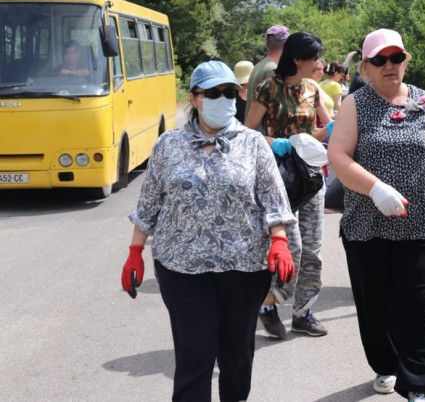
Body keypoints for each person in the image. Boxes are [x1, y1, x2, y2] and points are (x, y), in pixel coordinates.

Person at [120, 60, 297, 402]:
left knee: (236, 355)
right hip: (182, 268)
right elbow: (149, 204)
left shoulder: (254, 144)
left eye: (231, 91)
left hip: (244, 267)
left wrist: (279, 241)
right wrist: (134, 252)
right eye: (214, 92)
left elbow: (274, 200)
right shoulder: (168, 145)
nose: (225, 99)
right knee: (194, 353)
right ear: (195, 98)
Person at [327, 28, 425, 402]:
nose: (389, 65)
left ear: (405, 61)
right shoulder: (355, 105)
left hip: (421, 222)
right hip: (367, 226)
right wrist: (375, 188)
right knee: (377, 307)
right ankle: (386, 364)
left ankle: (420, 386)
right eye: (380, 60)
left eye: (396, 58)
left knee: (419, 305)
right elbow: (338, 158)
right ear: (366, 67)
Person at [245, 31, 333, 339]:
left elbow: (320, 131)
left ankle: (303, 313)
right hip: (281, 179)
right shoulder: (270, 88)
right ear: (297, 59)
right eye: (314, 58)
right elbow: (249, 131)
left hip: (311, 178)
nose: (319, 63)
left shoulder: (313, 89)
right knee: (291, 248)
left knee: (314, 250)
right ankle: (269, 303)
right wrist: (276, 142)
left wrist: (332, 128)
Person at [243, 25, 290, 123]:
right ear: (287, 45)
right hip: (265, 135)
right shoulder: (273, 69)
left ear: (266, 44)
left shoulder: (259, 65)